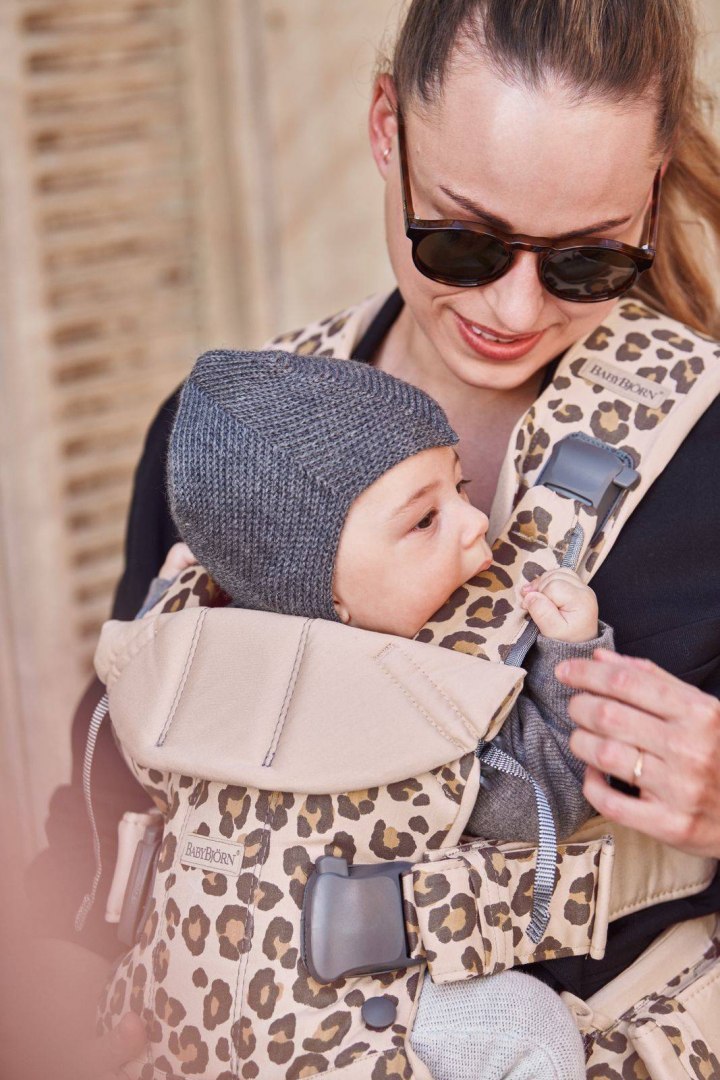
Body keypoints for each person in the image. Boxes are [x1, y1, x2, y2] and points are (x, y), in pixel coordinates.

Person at [25, 0, 720, 1076]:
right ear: (386, 127)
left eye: (586, 260)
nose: (516, 308)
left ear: (653, 185)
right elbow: (108, 809)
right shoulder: (229, 445)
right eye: (465, 240)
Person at [99, 345, 603, 1079]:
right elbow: (549, 799)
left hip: (187, 1000)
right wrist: (570, 656)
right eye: (424, 520)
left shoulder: (185, 670)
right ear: (324, 589)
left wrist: (164, 603)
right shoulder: (429, 696)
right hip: (338, 1019)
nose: (474, 522)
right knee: (527, 1028)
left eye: (460, 487)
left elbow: (132, 704)